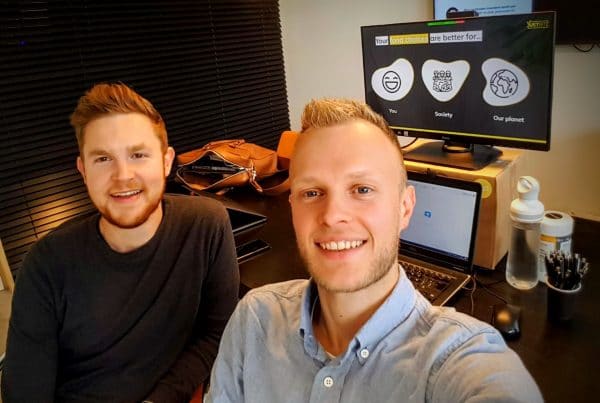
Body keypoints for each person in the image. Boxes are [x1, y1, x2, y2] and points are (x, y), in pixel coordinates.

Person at [205, 98, 543, 402]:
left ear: (405, 208)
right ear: (292, 206)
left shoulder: (455, 360)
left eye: (362, 189)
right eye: (312, 193)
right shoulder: (255, 319)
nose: (332, 215)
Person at [2, 83, 240, 402]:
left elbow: (217, 332)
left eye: (138, 155)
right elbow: (24, 392)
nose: (123, 175)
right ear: (83, 171)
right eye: (103, 159)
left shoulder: (206, 226)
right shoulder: (46, 263)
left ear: (166, 161)